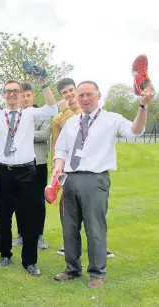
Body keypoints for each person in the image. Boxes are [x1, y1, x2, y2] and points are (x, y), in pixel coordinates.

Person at [52, 81, 151, 288]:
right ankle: (72, 269)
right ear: (76, 97)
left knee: (94, 228)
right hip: (69, 179)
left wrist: (142, 106)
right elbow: (60, 149)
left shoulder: (111, 119)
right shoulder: (71, 122)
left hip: (95, 180)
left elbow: (136, 131)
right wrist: (57, 167)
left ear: (98, 95)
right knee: (69, 228)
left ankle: (97, 273)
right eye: (81, 95)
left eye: (89, 94)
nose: (85, 99)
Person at [0, 68, 58, 276]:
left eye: (15, 91)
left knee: (29, 217)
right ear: (4, 95)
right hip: (4, 173)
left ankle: (29, 261)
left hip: (28, 172)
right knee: (4, 217)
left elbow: (52, 107)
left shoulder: (30, 114)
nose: (11, 94)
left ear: (21, 94)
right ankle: (5, 253)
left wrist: (43, 82)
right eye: (8, 91)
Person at [51, 78, 115, 258]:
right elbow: (57, 145)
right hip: (70, 173)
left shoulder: (92, 111)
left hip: (94, 174)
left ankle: (99, 255)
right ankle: (71, 259)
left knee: (94, 221)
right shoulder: (60, 118)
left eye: (72, 90)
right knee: (70, 220)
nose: (70, 95)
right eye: (65, 93)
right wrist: (56, 169)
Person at [12, 83, 51, 250]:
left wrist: (23, 132)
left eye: (28, 95)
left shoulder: (42, 114)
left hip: (38, 163)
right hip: (19, 164)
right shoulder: (14, 115)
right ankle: (21, 234)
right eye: (23, 95)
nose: (25, 98)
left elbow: (44, 134)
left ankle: (39, 235)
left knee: (38, 201)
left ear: (32, 96)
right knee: (19, 200)